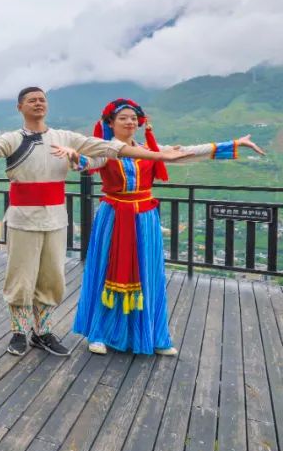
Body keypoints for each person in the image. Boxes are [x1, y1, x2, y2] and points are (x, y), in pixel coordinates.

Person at [0, 87, 185, 358]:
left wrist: (158, 155)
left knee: (52, 277)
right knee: (21, 276)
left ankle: (42, 332)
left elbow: (108, 147)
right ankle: (19, 332)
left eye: (42, 99)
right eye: (31, 100)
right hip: (23, 218)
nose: (38, 103)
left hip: (55, 217)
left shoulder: (65, 137)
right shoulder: (12, 138)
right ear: (19, 107)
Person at [68, 98, 264, 355]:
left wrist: (234, 144)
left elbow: (188, 152)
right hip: (114, 216)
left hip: (144, 217)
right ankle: (100, 332)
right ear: (110, 123)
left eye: (133, 118)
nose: (130, 122)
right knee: (107, 267)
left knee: (147, 272)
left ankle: (152, 334)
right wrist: (75, 158)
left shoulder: (150, 149)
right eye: (123, 118)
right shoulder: (106, 150)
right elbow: (87, 162)